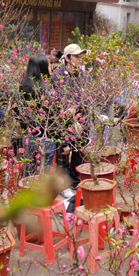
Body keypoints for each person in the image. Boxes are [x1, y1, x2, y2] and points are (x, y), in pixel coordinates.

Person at [52, 44, 89, 190]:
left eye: (80, 56)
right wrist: (68, 108)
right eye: (76, 56)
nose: (80, 59)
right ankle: (64, 185)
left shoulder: (83, 75)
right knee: (63, 152)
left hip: (81, 120)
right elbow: (56, 98)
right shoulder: (57, 76)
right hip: (64, 122)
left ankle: (75, 181)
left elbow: (88, 97)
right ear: (67, 58)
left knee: (78, 153)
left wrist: (76, 107)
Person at [17, 54, 57, 176]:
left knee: (28, 173)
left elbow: (17, 112)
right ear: (43, 68)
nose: (51, 68)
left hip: (28, 137)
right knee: (42, 175)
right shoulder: (48, 91)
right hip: (45, 137)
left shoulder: (22, 88)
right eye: (49, 65)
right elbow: (54, 116)